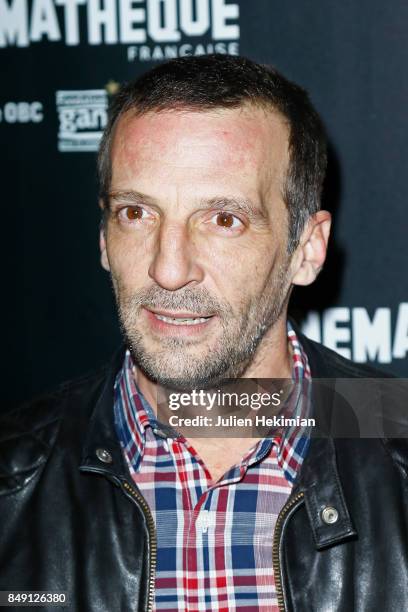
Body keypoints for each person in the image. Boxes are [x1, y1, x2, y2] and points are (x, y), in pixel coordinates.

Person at [1, 54, 407, 612]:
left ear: (306, 250)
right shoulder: (12, 483)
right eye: (136, 213)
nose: (169, 269)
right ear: (102, 236)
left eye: (223, 220)